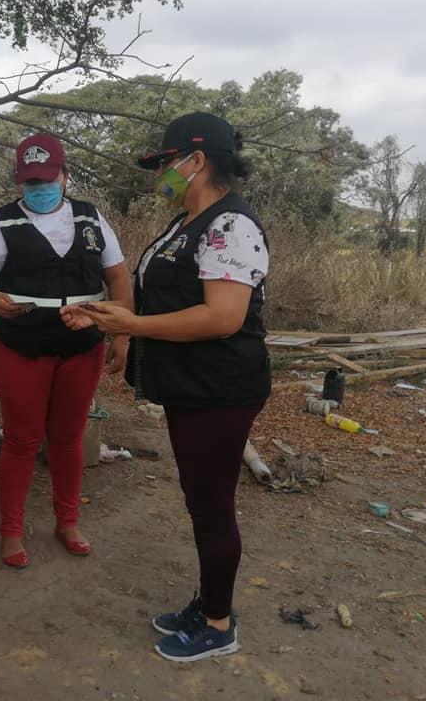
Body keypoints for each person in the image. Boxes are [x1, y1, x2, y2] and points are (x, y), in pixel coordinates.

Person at [60, 112, 270, 662]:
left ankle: (218, 624)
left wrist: (134, 325)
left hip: (220, 389)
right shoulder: (187, 222)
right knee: (201, 499)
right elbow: (166, 299)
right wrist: (106, 315)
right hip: (191, 387)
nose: (160, 175)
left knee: (212, 504)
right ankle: (207, 602)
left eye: (164, 163)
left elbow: (223, 316)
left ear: (197, 160)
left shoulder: (230, 226)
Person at [0, 133, 132, 568]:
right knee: (22, 438)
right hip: (21, 343)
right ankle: (11, 530)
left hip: (81, 345)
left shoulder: (91, 219)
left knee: (68, 437)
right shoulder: (0, 223)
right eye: (31, 181)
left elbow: (118, 278)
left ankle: (67, 521)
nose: (39, 187)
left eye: (47, 178)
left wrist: (121, 333)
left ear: (65, 175)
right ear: (20, 181)